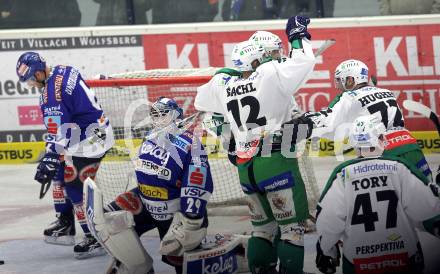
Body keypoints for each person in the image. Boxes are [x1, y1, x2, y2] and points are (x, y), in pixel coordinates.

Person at [195, 15, 315, 274]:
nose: (273, 57)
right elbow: (304, 61)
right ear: (257, 59)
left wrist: (228, 138)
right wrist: (297, 37)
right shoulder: (270, 73)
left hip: (245, 167)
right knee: (291, 230)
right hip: (276, 160)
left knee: (263, 227)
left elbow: (201, 105)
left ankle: (262, 270)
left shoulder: (222, 83)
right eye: (268, 54)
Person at [85, 97, 214, 274]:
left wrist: (191, 219)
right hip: (146, 203)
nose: (159, 119)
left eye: (163, 115)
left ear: (175, 115)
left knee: (181, 263)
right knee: (111, 222)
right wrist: (129, 196)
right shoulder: (150, 137)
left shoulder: (191, 144)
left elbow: (197, 179)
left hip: (175, 215)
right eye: (155, 114)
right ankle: (135, 265)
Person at [16, 52, 114, 258]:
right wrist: (53, 158)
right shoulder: (63, 69)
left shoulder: (51, 96)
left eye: (32, 78)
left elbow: (58, 133)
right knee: (59, 173)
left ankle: (95, 238)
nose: (31, 83)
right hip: (85, 132)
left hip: (91, 140)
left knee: (74, 184)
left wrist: (50, 158)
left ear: (41, 72)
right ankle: (66, 222)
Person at [315, 115, 440, 274]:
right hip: (404, 258)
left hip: (358, 263)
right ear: (380, 138)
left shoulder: (342, 175)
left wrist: (326, 250)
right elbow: (429, 209)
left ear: (354, 142)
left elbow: (328, 220)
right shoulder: (399, 168)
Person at [302, 59, 432, 180]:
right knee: (428, 193)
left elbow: (331, 125)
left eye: (341, 80)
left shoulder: (349, 97)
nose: (338, 86)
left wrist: (306, 120)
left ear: (351, 80)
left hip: (382, 152)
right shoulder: (386, 91)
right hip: (410, 145)